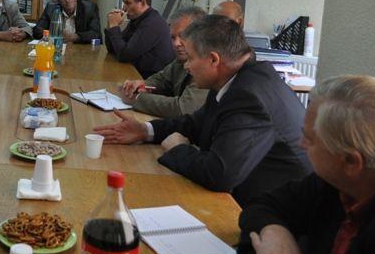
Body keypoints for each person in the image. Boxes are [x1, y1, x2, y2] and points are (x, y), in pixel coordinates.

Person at [95, 15, 311, 205]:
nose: (186, 66)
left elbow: (220, 173)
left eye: (190, 58)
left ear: (213, 59)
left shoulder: (249, 95)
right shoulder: (236, 77)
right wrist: (145, 130)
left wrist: (178, 148)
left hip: (276, 214)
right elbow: (196, 122)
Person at [239, 75, 375, 254]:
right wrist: (275, 233)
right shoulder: (338, 182)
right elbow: (262, 205)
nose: (301, 144)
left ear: (351, 162)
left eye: (309, 139)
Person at [118, 7, 209, 118]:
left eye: (183, 36)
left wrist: (137, 99)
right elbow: (162, 80)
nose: (176, 44)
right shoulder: (180, 60)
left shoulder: (208, 65)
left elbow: (182, 108)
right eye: (173, 37)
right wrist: (141, 85)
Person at [104, 0, 174, 78]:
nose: (124, 8)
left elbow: (124, 55)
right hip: (135, 73)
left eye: (128, 3)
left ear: (143, 3)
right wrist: (110, 25)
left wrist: (114, 26)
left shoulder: (152, 23)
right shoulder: (138, 19)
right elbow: (113, 49)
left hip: (150, 79)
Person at [32, 0, 100, 43]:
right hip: (57, 46)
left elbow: (96, 34)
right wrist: (53, 34)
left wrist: (74, 37)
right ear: (58, 0)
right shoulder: (51, 8)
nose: (67, 0)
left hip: (80, 48)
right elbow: (37, 30)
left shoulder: (89, 8)